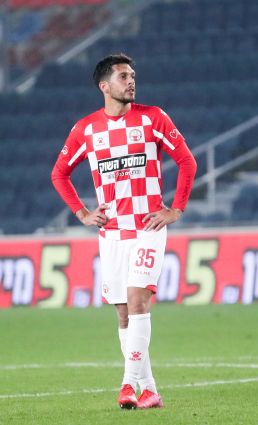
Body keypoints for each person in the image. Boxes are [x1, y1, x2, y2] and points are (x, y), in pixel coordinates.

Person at [51, 53, 197, 408]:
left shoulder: (153, 118)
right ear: (105, 86)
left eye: (132, 75)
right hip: (112, 232)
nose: (131, 81)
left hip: (147, 226)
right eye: (123, 76)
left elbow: (187, 161)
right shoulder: (86, 129)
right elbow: (59, 173)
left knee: (137, 301)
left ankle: (127, 384)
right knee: (122, 313)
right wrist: (82, 213)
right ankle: (149, 390)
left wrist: (176, 208)